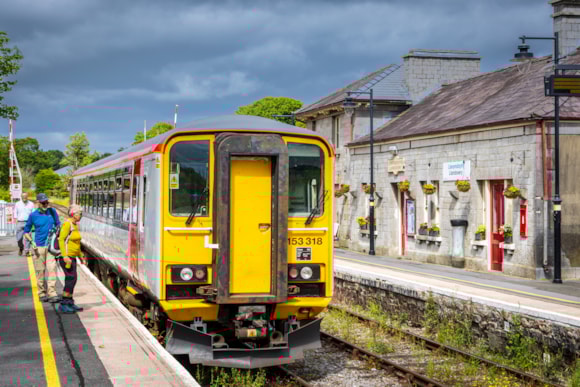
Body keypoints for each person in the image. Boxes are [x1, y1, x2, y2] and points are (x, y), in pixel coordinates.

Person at [24, 193, 61, 303]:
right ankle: (41, 292)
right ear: (38, 203)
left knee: (52, 269)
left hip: (50, 247)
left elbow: (59, 225)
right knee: (40, 271)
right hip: (38, 247)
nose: (46, 204)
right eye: (43, 203)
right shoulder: (33, 215)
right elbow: (26, 231)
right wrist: (31, 242)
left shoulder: (52, 212)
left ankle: (52, 293)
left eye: (47, 202)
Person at [57, 204, 84, 313]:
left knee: (73, 279)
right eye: (79, 214)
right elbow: (61, 240)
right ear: (73, 214)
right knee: (70, 279)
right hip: (67, 258)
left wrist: (80, 256)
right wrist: (65, 256)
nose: (81, 216)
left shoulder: (75, 225)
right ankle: (64, 304)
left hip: (73, 257)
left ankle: (70, 302)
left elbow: (76, 243)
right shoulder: (67, 225)